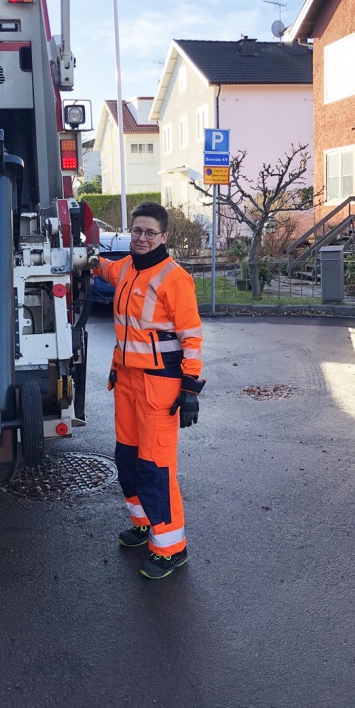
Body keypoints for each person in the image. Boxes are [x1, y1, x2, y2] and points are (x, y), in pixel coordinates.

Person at [92, 201, 204, 580]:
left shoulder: (175, 278)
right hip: (126, 383)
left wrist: (190, 390)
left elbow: (191, 337)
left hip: (159, 388)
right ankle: (143, 526)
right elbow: (102, 267)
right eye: (136, 231)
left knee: (156, 468)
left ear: (164, 236)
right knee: (127, 460)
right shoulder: (125, 268)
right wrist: (85, 251)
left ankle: (172, 549)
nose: (140, 238)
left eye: (149, 233)